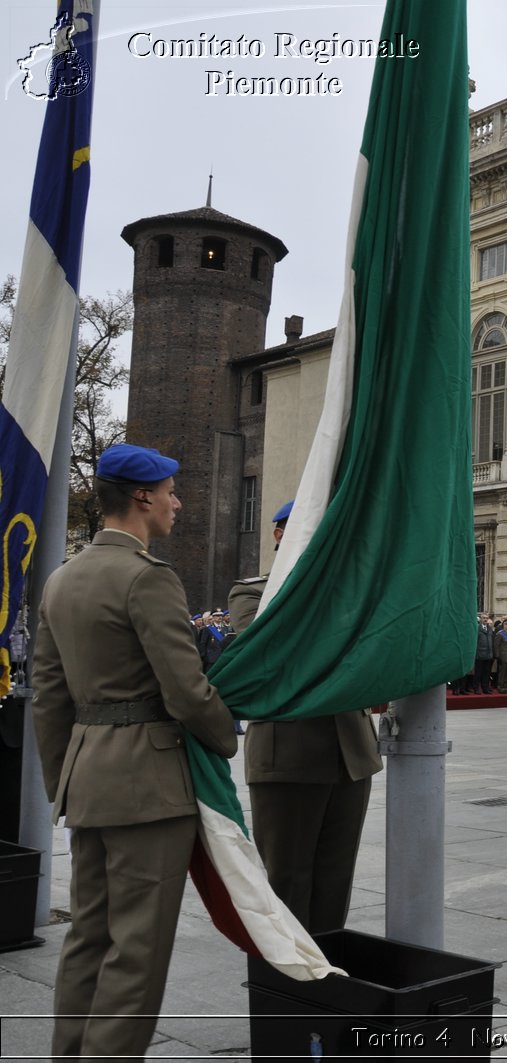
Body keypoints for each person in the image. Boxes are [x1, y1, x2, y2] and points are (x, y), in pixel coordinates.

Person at [31, 443, 239, 1060]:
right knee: (137, 952)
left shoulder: (62, 579)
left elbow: (48, 698)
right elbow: (186, 690)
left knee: (88, 941)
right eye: (172, 491)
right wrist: (224, 736)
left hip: (87, 779)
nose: (179, 502)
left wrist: (62, 780)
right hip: (148, 786)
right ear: (143, 497)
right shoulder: (148, 578)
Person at [229, 498, 382, 936]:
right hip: (289, 754)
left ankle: (327, 971)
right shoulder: (253, 591)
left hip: (351, 752)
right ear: (280, 534)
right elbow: (272, 653)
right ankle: (287, 981)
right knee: (287, 880)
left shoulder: (349, 589)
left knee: (336, 881)